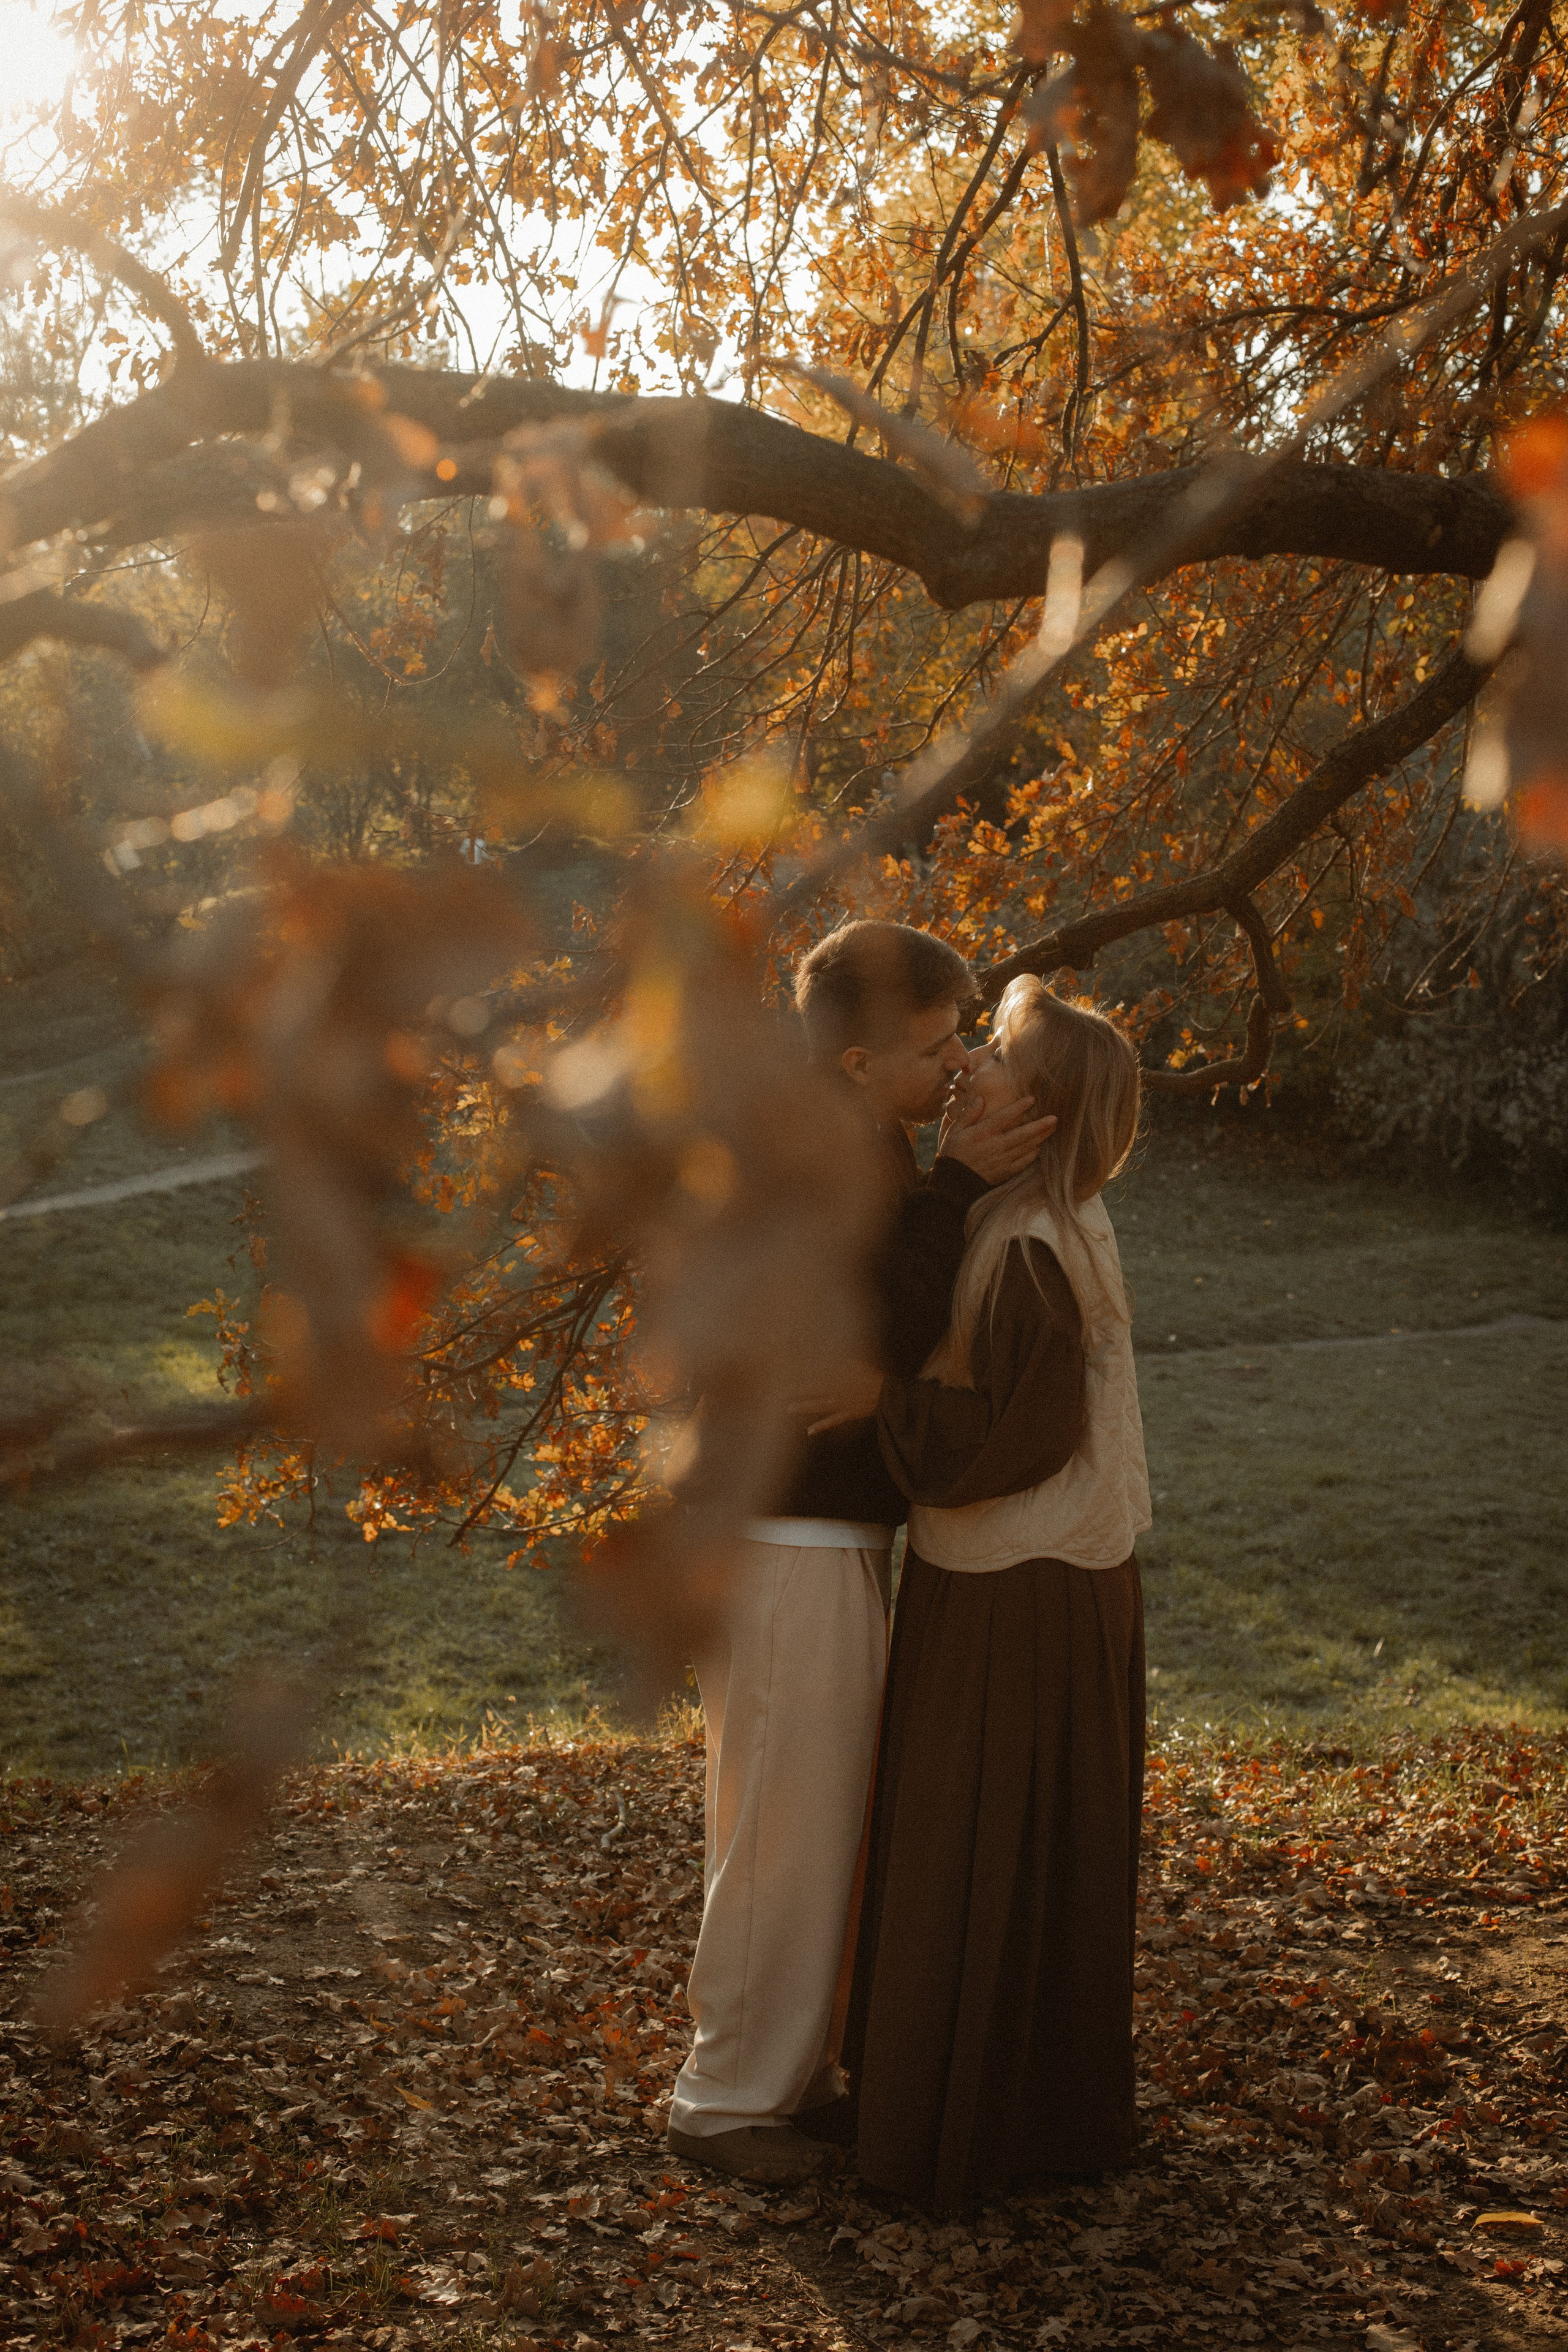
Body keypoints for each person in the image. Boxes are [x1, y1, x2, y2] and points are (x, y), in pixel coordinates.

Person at [665, 922, 1057, 2187]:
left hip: (811, 1527)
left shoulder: (851, 1138)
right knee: (782, 1822)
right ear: (852, 1062)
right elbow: (881, 1327)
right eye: (936, 1043)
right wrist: (954, 1189)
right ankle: (723, 2103)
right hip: (786, 1530)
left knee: (802, 1814)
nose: (956, 1063)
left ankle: (790, 2074)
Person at [832, 975, 1151, 2214]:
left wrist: (879, 1406)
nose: (968, 1066)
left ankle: (960, 2129)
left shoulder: (1026, 1248)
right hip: (1028, 1583)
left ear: (1044, 1110)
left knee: (983, 1852)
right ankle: (1014, 2111)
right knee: (997, 1854)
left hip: (1021, 1597)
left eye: (997, 1056)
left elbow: (1006, 1439)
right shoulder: (1025, 1215)